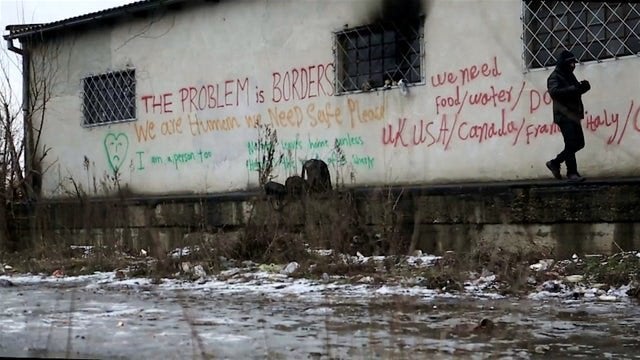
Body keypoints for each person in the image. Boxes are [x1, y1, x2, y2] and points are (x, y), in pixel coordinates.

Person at [545, 50, 591, 182]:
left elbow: (574, 91)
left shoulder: (569, 75)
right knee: (571, 143)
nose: (572, 65)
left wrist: (583, 88)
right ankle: (572, 173)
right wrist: (573, 89)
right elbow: (554, 92)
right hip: (563, 115)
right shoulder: (555, 76)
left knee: (579, 143)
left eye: (573, 63)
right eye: (569, 63)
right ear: (563, 64)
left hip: (573, 114)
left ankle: (555, 162)